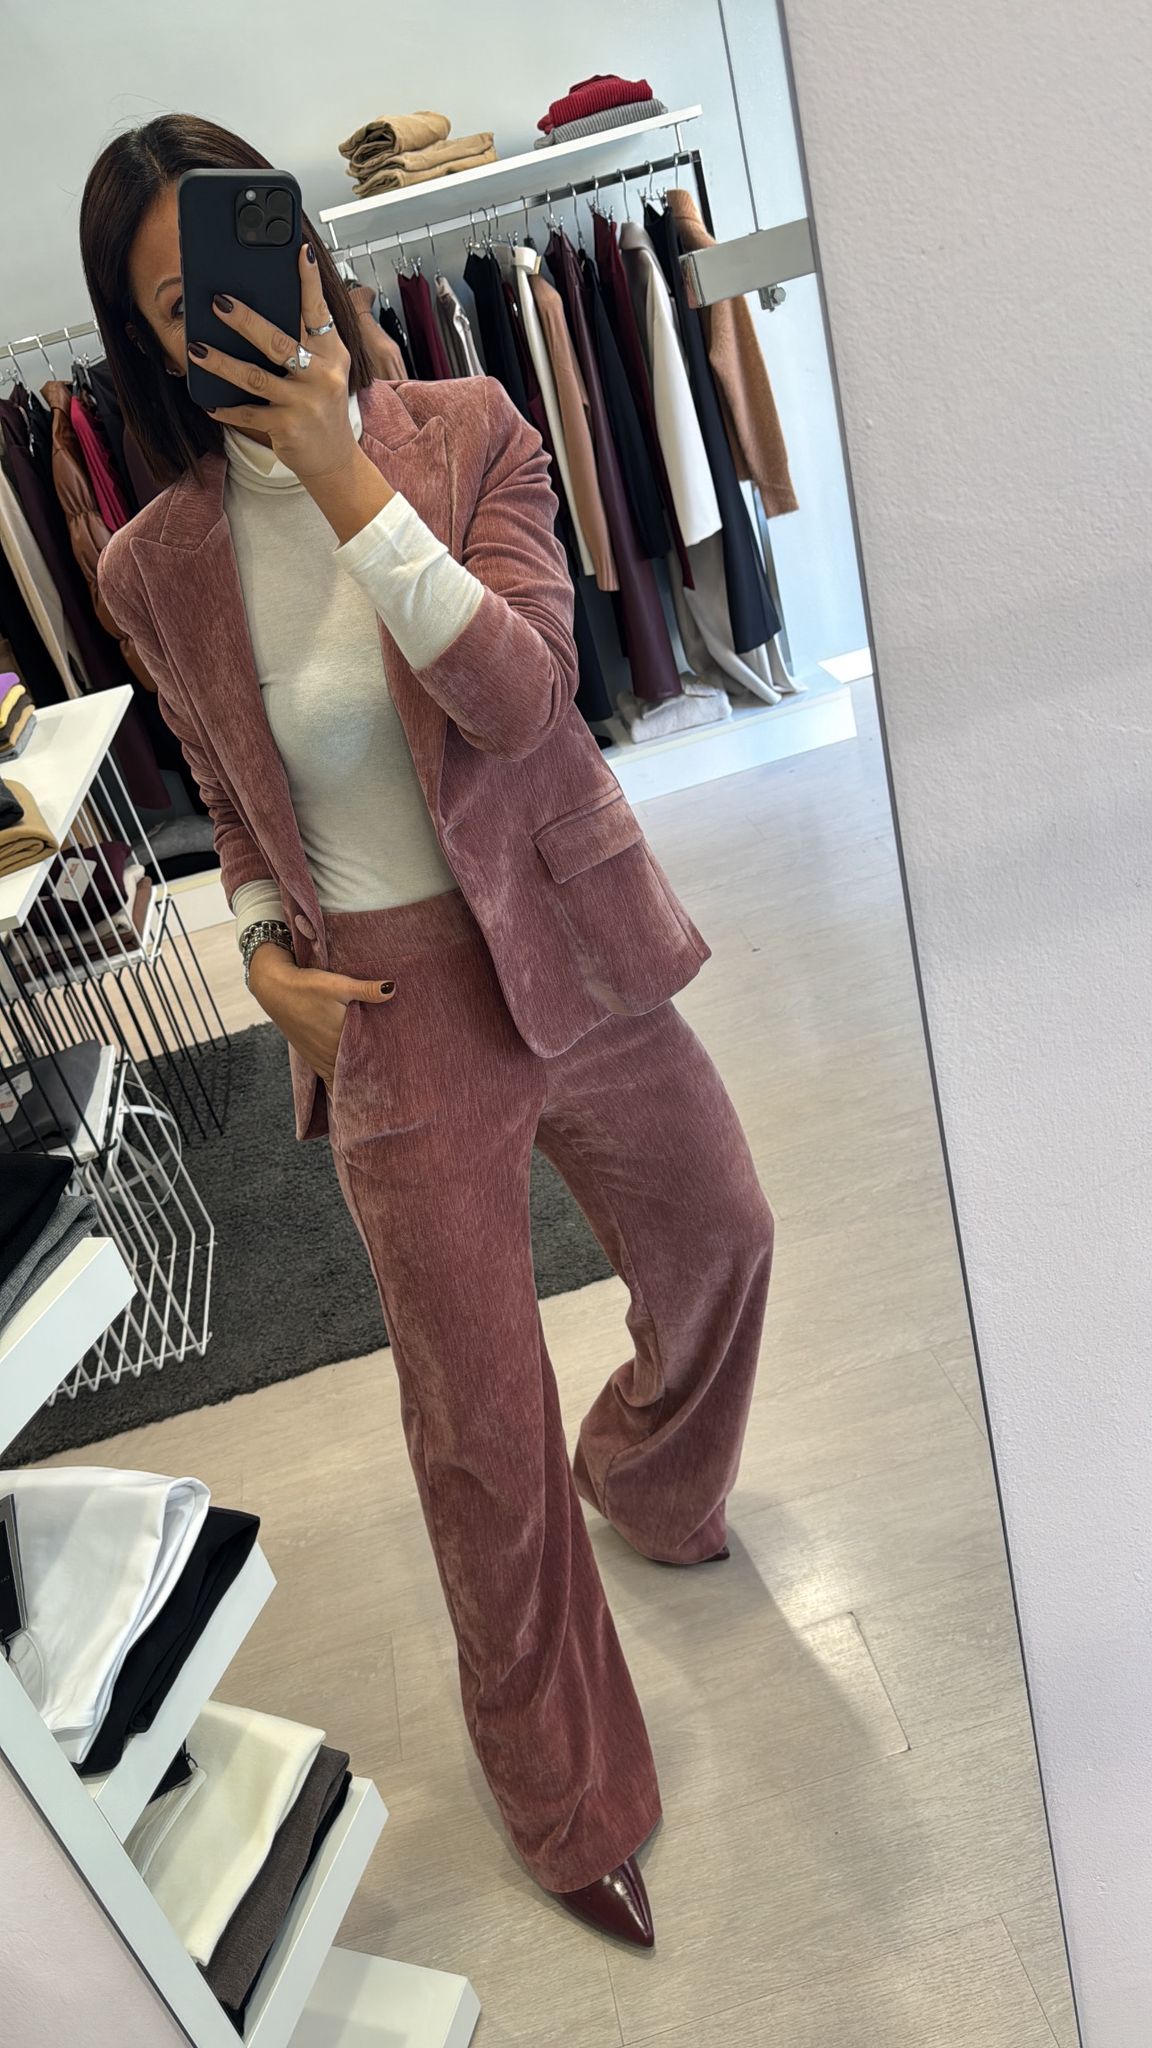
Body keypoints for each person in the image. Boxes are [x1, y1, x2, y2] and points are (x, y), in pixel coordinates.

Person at [82, 114, 774, 1948]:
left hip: (571, 943)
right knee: (477, 1431)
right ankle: (566, 1798)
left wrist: (345, 480)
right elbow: (233, 804)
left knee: (723, 1237)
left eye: (245, 259)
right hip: (385, 1008)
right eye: (178, 305)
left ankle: (650, 1473)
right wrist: (255, 952)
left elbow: (528, 695)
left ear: (305, 249)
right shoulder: (151, 564)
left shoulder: (473, 429)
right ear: (147, 341)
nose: (231, 312)